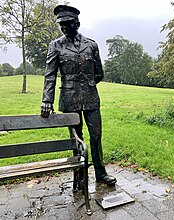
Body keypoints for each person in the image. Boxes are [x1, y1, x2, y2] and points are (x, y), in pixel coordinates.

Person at [41, 5, 117, 185]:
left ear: (77, 23)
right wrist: (47, 100)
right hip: (69, 99)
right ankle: (80, 177)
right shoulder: (55, 46)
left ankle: (101, 174)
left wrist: (87, 85)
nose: (64, 27)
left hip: (91, 99)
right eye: (61, 25)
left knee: (96, 136)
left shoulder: (91, 45)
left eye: (67, 24)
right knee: (77, 139)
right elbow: (50, 75)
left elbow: (99, 73)